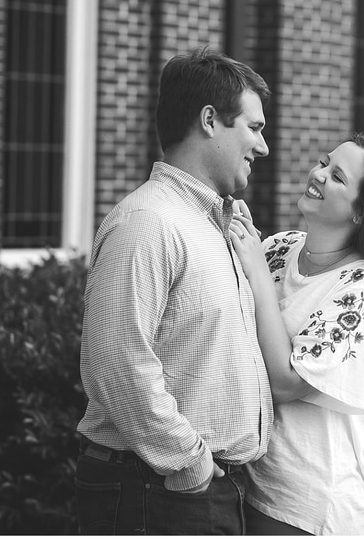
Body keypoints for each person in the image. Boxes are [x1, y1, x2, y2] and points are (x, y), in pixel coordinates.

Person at [75, 50, 273, 535]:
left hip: (204, 490)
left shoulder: (212, 224)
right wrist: (190, 464)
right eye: (253, 127)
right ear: (210, 121)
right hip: (160, 491)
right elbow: (116, 364)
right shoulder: (148, 224)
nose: (263, 146)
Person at [227, 132, 364, 535]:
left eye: (337, 177)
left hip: (305, 505)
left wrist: (257, 274)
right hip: (244, 482)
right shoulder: (279, 249)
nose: (318, 175)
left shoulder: (362, 289)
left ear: (362, 213)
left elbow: (286, 382)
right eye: (323, 162)